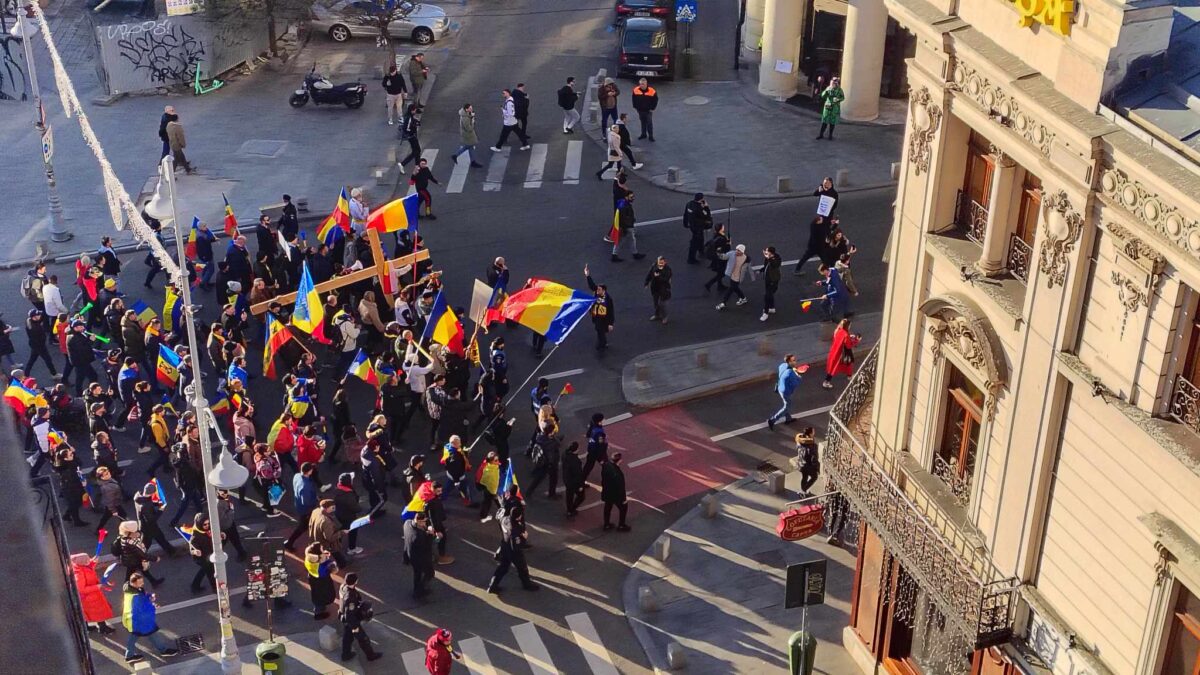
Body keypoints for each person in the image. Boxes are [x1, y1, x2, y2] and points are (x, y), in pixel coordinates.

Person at [486, 490, 539, 593]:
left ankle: (492, 585)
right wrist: (524, 537)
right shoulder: (516, 529)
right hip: (513, 550)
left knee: (503, 567)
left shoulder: (505, 519)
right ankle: (527, 585)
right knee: (522, 568)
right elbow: (517, 544)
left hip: (504, 546)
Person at [122, 572, 180, 663]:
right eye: (140, 583)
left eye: (142, 582)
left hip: (134, 620)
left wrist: (149, 597)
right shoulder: (135, 596)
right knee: (150, 633)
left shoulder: (131, 590)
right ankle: (163, 650)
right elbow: (142, 608)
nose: (142, 584)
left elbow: (143, 596)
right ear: (133, 583)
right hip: (138, 621)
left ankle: (129, 656)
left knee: (137, 636)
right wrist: (153, 606)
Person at [338, 573, 382, 662]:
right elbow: (350, 614)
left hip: (344, 618)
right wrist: (355, 627)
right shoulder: (350, 597)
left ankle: (346, 655)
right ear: (355, 581)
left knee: (348, 638)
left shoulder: (343, 587)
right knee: (363, 638)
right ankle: (371, 656)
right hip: (352, 622)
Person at [71, 553, 116, 634]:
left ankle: (86, 628)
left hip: (90, 596)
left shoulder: (79, 566)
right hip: (89, 596)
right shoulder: (78, 573)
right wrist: (97, 587)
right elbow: (81, 589)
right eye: (87, 560)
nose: (89, 560)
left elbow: (89, 567)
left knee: (87, 613)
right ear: (83, 562)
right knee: (99, 612)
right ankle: (102, 628)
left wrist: (93, 562)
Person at [767, 354, 808, 430]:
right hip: (786, 392)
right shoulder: (790, 373)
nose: (795, 361)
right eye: (793, 360)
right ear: (789, 361)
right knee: (787, 406)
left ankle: (788, 419)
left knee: (787, 404)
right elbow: (796, 383)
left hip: (780, 387)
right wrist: (799, 377)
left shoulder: (782, 365)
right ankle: (772, 420)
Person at [403, 510, 437, 599]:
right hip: (420, 558)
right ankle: (419, 590)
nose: (425, 523)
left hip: (410, 554)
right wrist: (431, 534)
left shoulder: (407, 523)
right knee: (429, 573)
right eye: (424, 522)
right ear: (419, 521)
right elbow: (427, 546)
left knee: (417, 574)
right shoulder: (418, 536)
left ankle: (417, 589)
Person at [823, 318, 861, 388]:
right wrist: (857, 340)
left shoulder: (838, 330)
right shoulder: (845, 334)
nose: (850, 327)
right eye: (849, 325)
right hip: (841, 354)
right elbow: (848, 345)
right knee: (847, 363)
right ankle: (826, 381)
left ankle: (849, 376)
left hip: (834, 352)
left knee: (833, 367)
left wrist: (850, 337)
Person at [309, 498, 347, 567]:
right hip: (326, 543)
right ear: (327, 508)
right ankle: (342, 564)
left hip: (316, 538)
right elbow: (330, 537)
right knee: (334, 552)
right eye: (332, 508)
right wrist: (342, 532)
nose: (334, 509)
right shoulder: (326, 521)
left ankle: (341, 562)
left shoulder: (316, 511)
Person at [584, 266, 615, 350]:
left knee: (600, 330)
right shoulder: (596, 292)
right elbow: (592, 285)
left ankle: (602, 344)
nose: (597, 291)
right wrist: (587, 275)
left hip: (603, 318)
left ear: (604, 290)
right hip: (596, 316)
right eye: (597, 289)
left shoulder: (608, 299)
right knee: (599, 330)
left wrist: (610, 323)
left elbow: (611, 312)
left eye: (599, 290)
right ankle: (603, 342)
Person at [305, 542, 338, 620]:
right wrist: (331, 563)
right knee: (322, 596)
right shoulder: (321, 567)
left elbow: (319, 560)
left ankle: (319, 608)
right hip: (322, 581)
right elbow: (331, 570)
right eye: (321, 549)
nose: (323, 549)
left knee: (317, 594)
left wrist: (323, 555)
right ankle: (318, 613)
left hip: (313, 579)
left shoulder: (310, 559)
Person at [715, 244, 750, 309]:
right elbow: (723, 257)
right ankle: (743, 298)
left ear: (742, 251)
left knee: (731, 289)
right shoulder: (732, 253)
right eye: (736, 249)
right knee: (735, 288)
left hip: (738, 277)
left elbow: (747, 267)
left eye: (738, 250)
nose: (736, 251)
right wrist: (718, 253)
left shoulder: (746, 258)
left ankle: (724, 303)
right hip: (732, 275)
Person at [25, 309, 58, 378]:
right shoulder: (36, 328)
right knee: (48, 359)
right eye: (38, 315)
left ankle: (26, 374)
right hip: (40, 346)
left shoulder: (29, 321)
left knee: (32, 359)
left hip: (33, 344)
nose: (40, 315)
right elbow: (41, 338)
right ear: (34, 317)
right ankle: (54, 374)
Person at [601, 452, 630, 531]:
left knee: (607, 507)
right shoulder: (617, 474)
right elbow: (620, 487)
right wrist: (623, 499)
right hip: (616, 495)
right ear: (619, 461)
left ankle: (606, 524)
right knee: (623, 508)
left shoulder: (606, 465)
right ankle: (621, 525)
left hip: (607, 492)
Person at [610, 191, 642, 262]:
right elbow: (624, 218)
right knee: (623, 240)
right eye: (631, 197)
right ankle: (615, 255)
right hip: (627, 226)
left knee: (631, 239)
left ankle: (634, 253)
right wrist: (626, 227)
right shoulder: (625, 206)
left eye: (633, 197)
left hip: (626, 226)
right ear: (626, 197)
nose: (633, 198)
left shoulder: (622, 203)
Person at [450, 103, 484, 168]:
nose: (472, 109)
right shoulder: (465, 118)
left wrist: (471, 116)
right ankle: (456, 155)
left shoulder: (465, 114)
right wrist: (473, 120)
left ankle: (472, 161)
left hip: (467, 134)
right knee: (468, 146)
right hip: (468, 135)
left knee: (470, 147)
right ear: (466, 109)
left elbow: (469, 118)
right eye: (470, 108)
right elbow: (469, 128)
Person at [683, 193, 712, 264]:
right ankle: (691, 259)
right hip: (698, 227)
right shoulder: (699, 208)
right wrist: (706, 207)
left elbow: (685, 215)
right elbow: (707, 216)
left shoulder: (689, 204)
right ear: (701, 199)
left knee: (701, 239)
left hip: (692, 226)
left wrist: (685, 224)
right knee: (694, 243)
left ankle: (701, 251)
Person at [703, 223, 732, 293]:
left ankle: (720, 285)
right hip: (720, 258)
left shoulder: (716, 235)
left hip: (717, 257)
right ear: (721, 229)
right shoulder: (721, 239)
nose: (724, 227)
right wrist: (729, 244)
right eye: (723, 227)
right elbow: (725, 249)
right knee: (722, 273)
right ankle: (709, 284)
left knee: (720, 272)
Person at [644, 256, 672, 324]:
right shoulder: (654, 266)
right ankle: (657, 315)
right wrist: (646, 283)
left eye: (662, 263)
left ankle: (665, 317)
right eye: (659, 262)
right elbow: (649, 274)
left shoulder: (667, 270)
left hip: (664, 289)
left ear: (665, 262)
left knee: (662, 304)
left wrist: (658, 276)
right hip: (655, 288)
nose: (660, 264)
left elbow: (666, 280)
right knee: (656, 303)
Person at [398, 103, 424, 173]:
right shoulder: (409, 118)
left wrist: (415, 122)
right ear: (412, 110)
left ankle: (417, 166)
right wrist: (414, 126)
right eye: (415, 110)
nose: (415, 111)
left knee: (417, 150)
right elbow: (407, 128)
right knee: (416, 151)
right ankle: (403, 164)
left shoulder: (410, 116)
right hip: (411, 136)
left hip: (412, 136)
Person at [561, 441, 585, 517]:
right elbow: (578, 474)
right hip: (574, 482)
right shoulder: (575, 461)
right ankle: (572, 509)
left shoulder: (565, 454)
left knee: (569, 496)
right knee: (581, 497)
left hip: (566, 479)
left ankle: (569, 510)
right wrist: (581, 485)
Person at [760, 246, 782, 322]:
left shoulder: (777, 259)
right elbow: (766, 266)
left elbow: (774, 265)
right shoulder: (767, 258)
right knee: (770, 295)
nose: (765, 252)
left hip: (773, 281)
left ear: (771, 252)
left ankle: (765, 313)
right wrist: (761, 270)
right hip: (768, 280)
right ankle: (772, 308)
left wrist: (768, 258)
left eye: (767, 250)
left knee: (767, 296)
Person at [795, 428, 820, 494]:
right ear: (810, 434)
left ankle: (803, 490)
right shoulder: (813, 445)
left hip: (801, 463)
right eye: (813, 431)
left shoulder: (800, 441)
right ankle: (803, 491)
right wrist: (817, 468)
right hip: (807, 465)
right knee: (814, 477)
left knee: (804, 477)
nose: (814, 432)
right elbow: (814, 458)